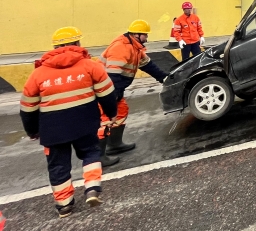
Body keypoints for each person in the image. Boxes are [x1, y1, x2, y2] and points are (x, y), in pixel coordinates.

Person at [19, 26, 118, 217]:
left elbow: (27, 108)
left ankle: (64, 205)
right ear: (77, 44)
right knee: (90, 152)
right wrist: (111, 114)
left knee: (58, 165)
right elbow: (107, 94)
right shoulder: (90, 66)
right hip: (86, 124)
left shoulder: (38, 74)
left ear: (55, 48)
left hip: (52, 131)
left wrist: (32, 130)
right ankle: (92, 189)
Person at [98, 20, 167, 164]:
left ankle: (115, 145)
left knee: (121, 111)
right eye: (145, 35)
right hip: (105, 89)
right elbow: (112, 74)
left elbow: (148, 65)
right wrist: (113, 94)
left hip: (114, 88)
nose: (146, 38)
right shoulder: (121, 48)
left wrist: (164, 78)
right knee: (106, 120)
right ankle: (98, 156)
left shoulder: (135, 48)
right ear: (136, 35)